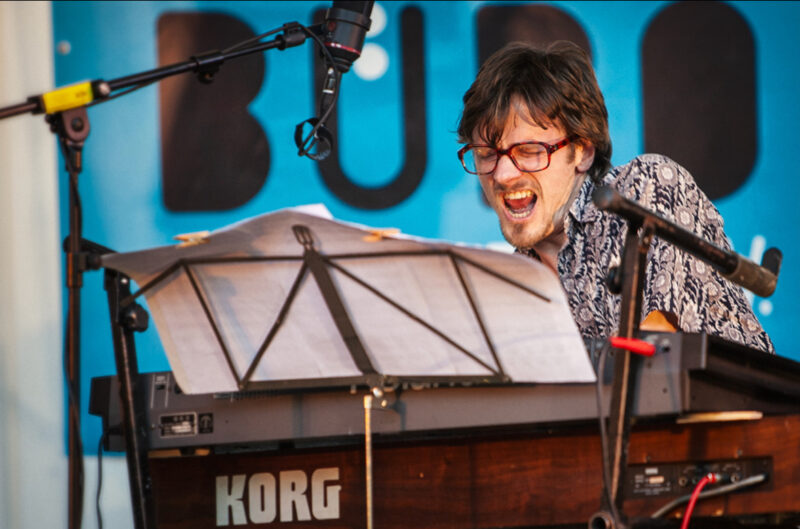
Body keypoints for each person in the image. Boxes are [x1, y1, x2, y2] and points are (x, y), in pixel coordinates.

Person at [456, 41, 774, 353]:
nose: (502, 175)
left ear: (582, 151)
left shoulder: (647, 187)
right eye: (486, 154)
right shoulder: (513, 280)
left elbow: (645, 356)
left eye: (528, 151)